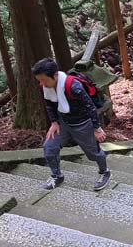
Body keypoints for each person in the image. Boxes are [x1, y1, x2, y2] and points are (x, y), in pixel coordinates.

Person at [32, 58, 111, 191]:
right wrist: (54, 122)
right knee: (49, 147)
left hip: (83, 123)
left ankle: (105, 172)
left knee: (94, 153)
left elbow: (90, 107)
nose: (42, 84)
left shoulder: (74, 86)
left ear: (55, 75)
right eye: (40, 80)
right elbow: (50, 105)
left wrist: (96, 128)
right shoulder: (46, 88)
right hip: (63, 122)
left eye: (44, 80)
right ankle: (57, 176)